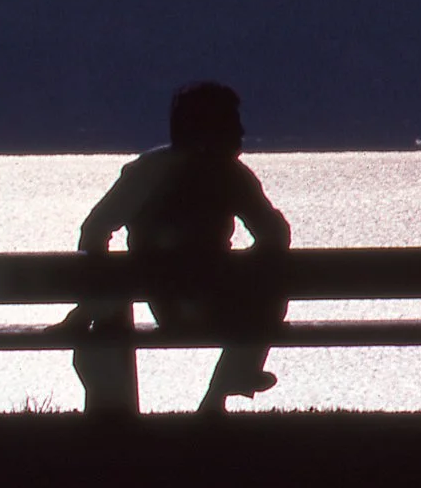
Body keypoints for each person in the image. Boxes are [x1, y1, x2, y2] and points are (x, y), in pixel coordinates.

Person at [74, 82, 291, 415]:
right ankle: (224, 389)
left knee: (116, 296)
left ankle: (217, 393)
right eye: (233, 122)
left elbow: (94, 230)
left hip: (168, 305)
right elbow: (274, 235)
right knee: (273, 283)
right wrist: (251, 261)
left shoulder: (146, 171)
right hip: (222, 306)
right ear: (212, 128)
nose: (242, 131)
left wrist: (95, 298)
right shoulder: (232, 177)